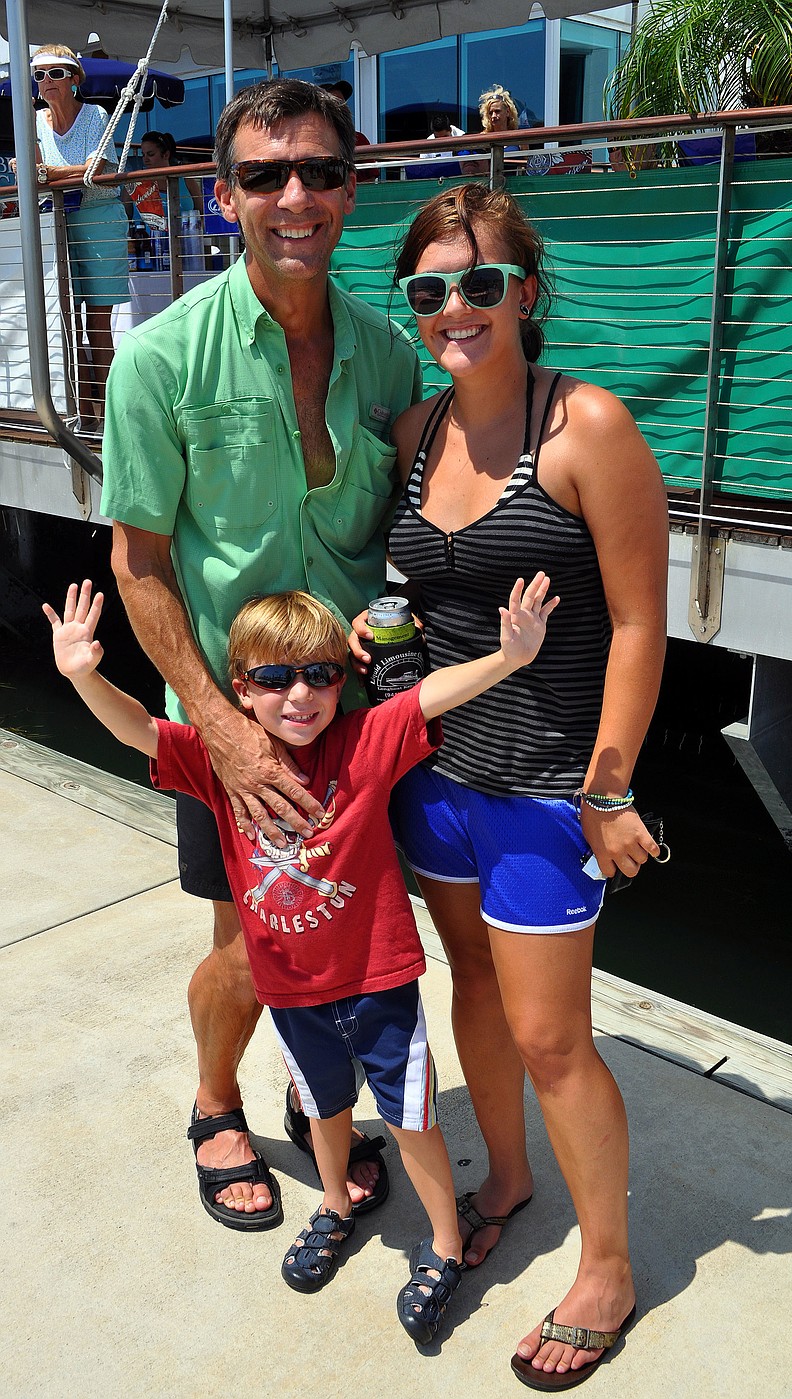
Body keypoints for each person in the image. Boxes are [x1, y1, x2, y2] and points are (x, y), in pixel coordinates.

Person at [44, 571, 558, 1339]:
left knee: (410, 1112)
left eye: (320, 674)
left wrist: (509, 658)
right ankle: (334, 1202)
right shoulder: (219, 763)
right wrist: (85, 674)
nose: (300, 695)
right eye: (275, 678)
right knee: (322, 1107)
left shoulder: (364, 740)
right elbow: (138, 731)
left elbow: (428, 697)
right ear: (239, 689)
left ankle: (445, 1245)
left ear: (343, 680)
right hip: (289, 989)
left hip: (379, 980)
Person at [351, 183, 669, 1387]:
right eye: (430, 290)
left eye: (480, 284)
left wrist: (607, 785)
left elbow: (640, 622)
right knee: (471, 984)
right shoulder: (416, 434)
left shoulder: (583, 426)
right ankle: (511, 1172)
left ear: (525, 295)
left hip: (546, 788)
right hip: (440, 779)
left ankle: (608, 1263)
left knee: (552, 1035)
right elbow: (416, 605)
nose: (454, 308)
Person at [100, 78, 422, 1231]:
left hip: (350, 708)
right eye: (264, 175)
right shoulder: (160, 360)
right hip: (234, 702)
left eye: (321, 171)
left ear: (352, 186)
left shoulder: (391, 357)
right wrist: (221, 725)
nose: (296, 195)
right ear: (225, 197)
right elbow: (140, 564)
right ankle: (212, 1095)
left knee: (341, 923)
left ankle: (317, 1086)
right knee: (245, 937)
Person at [23, 45, 129, 427]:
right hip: (58, 226)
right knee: (65, 323)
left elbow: (95, 168)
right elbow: (42, 175)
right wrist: (57, 172)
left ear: (73, 79)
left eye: (55, 73)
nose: (46, 82)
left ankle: (112, 416)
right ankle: (83, 414)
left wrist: (48, 173)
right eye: (40, 76)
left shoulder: (96, 114)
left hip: (99, 220)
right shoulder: (33, 122)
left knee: (97, 325)